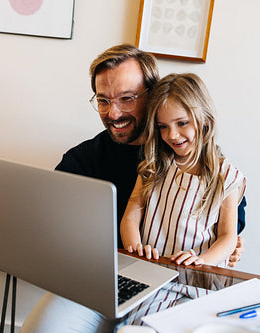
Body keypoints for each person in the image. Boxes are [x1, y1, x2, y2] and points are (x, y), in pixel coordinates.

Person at [55, 44, 247, 265]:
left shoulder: (194, 158)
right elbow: (55, 228)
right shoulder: (80, 162)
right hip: (100, 271)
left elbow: (229, 227)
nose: (113, 113)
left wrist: (223, 249)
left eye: (126, 98)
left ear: (152, 95)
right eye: (103, 101)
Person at [120, 73, 246, 268]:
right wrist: (135, 248)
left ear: (204, 119)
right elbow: (131, 215)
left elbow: (228, 238)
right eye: (163, 127)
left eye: (182, 123)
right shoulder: (153, 164)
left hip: (196, 278)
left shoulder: (226, 175)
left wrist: (200, 261)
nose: (172, 135)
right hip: (151, 271)